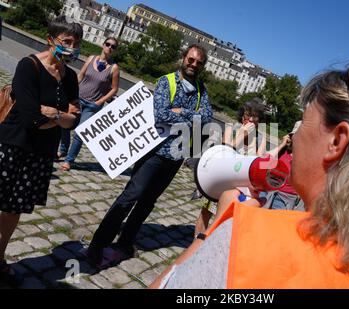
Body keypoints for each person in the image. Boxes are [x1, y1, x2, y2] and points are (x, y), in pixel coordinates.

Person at [150, 58, 349, 289]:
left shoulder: (252, 241)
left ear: (336, 141)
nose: (296, 137)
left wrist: (213, 233)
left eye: (304, 122)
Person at [84, 44, 213, 267]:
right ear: (183, 58)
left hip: (175, 156)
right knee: (128, 198)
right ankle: (97, 245)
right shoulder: (167, 81)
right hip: (153, 153)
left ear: (203, 65)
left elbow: (207, 119)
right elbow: (160, 115)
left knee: (147, 203)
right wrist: (192, 117)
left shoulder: (202, 90)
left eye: (198, 62)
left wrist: (180, 111)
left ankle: (124, 243)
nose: (193, 64)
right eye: (190, 60)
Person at [0, 16, 82, 286]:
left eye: (76, 43)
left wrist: (54, 114)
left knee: (14, 209)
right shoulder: (29, 65)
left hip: (40, 154)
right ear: (51, 39)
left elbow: (75, 120)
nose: (72, 47)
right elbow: (30, 119)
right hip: (13, 145)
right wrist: (62, 117)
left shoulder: (70, 76)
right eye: (66, 41)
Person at [193, 99, 266, 236]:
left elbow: (258, 163)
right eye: (247, 115)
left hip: (240, 189)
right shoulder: (231, 128)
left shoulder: (260, 138)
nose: (249, 119)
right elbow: (224, 155)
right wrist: (241, 135)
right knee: (205, 215)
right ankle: (195, 245)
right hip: (222, 181)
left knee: (225, 221)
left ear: (259, 119)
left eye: (254, 116)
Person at [58, 37, 120, 171]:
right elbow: (80, 75)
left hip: (93, 106)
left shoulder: (114, 68)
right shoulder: (91, 58)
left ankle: (69, 160)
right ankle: (62, 149)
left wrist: (100, 101)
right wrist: (71, 89)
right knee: (65, 123)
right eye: (108, 44)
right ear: (103, 45)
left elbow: (114, 89)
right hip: (78, 98)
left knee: (80, 133)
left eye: (113, 46)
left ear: (114, 50)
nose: (109, 47)